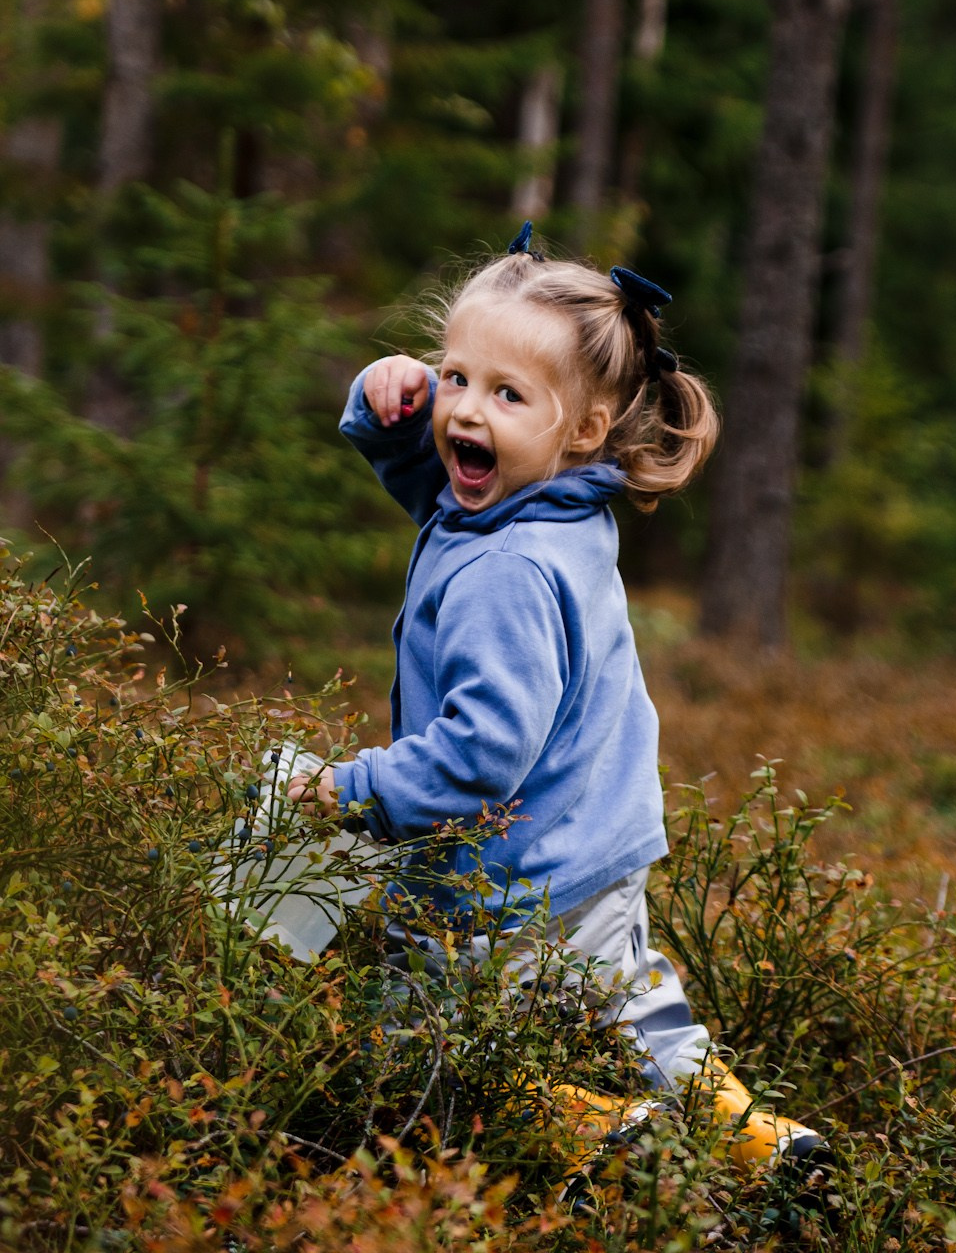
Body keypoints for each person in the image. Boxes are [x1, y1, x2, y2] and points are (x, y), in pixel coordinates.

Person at [287, 225, 829, 1177]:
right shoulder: (554, 503)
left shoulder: (504, 567)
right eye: (454, 376)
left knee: (427, 1046)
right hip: (596, 850)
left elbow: (479, 756)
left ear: (580, 427)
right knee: (640, 1009)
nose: (462, 410)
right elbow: (447, 494)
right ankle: (757, 1140)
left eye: (505, 393)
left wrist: (357, 788)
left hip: (506, 876)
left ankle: (600, 1133)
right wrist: (384, 401)